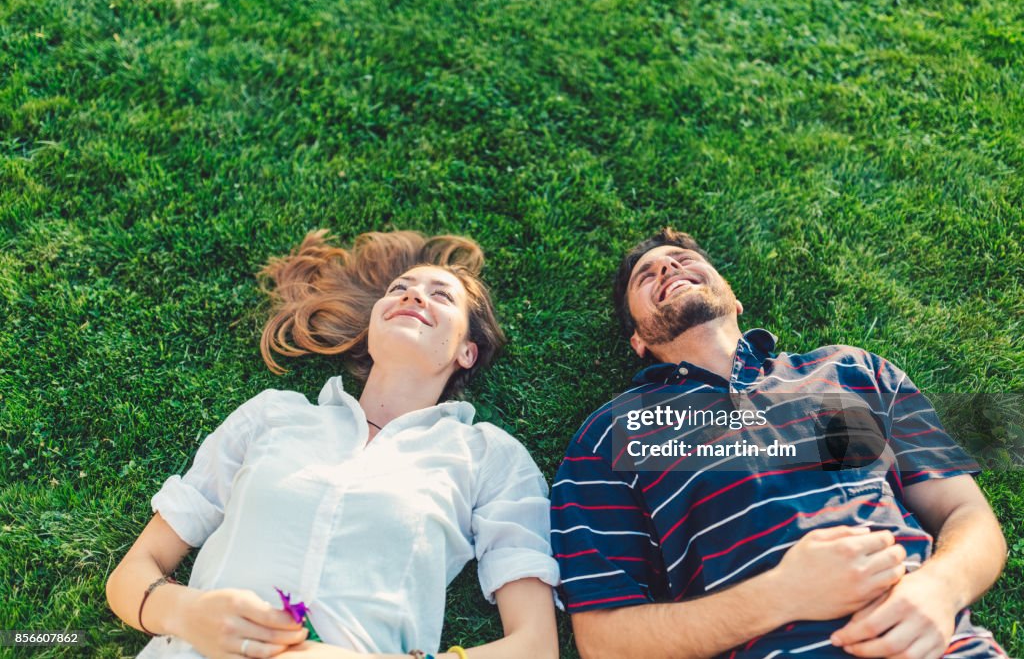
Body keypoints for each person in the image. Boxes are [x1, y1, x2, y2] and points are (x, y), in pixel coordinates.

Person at [550, 228, 1008, 659]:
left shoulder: (854, 371)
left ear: (733, 297)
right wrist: (779, 596)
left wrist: (940, 589)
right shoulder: (610, 434)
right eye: (646, 277)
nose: (668, 269)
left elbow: (966, 513)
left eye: (683, 260)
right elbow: (604, 640)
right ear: (637, 340)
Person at [107, 230, 560, 659]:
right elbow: (134, 571)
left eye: (441, 296)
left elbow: (535, 645)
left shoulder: (487, 458)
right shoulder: (273, 416)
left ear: (467, 351)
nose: (413, 295)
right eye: (400, 288)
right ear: (371, 328)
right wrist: (188, 613)